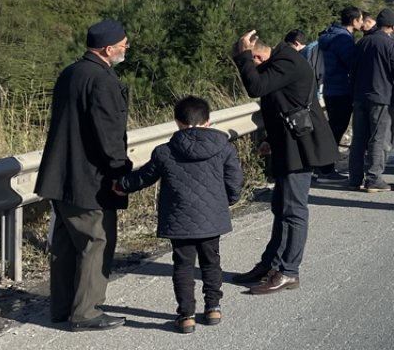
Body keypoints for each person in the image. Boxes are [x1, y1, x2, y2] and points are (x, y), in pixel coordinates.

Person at [34, 19, 133, 330]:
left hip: (59, 176)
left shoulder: (70, 73)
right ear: (107, 49)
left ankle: (62, 308)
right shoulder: (103, 81)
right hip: (88, 179)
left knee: (64, 245)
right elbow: (109, 135)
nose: (126, 48)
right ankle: (86, 312)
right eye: (123, 44)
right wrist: (120, 172)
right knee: (96, 240)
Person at [114, 96, 243, 334]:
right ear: (208, 121)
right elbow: (234, 180)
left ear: (177, 121)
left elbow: (144, 177)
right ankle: (213, 308)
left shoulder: (165, 151)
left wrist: (121, 185)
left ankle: (186, 316)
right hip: (212, 217)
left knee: (182, 267)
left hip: (179, 218)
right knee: (211, 262)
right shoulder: (224, 147)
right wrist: (227, 202)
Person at [230, 30, 337, 294]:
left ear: (257, 56)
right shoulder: (279, 61)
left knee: (294, 210)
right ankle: (271, 264)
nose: (247, 67)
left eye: (247, 61)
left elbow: (255, 87)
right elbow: (277, 102)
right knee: (281, 206)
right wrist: (269, 138)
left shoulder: (286, 61)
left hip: (301, 148)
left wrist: (242, 57)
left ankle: (289, 271)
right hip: (288, 145)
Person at [348, 8, 394, 192]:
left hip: (359, 96)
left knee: (358, 138)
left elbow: (353, 69)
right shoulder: (391, 46)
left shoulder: (362, 42)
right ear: (393, 26)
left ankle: (354, 177)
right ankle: (374, 178)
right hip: (381, 97)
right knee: (378, 138)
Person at [315, 6, 361, 181]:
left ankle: (321, 166)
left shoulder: (329, 36)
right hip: (342, 89)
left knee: (332, 128)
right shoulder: (344, 39)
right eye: (361, 19)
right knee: (335, 130)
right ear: (354, 21)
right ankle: (326, 169)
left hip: (329, 88)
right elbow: (352, 63)